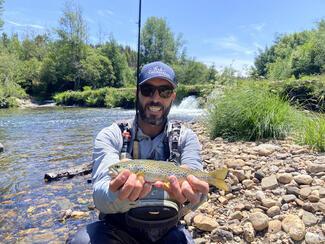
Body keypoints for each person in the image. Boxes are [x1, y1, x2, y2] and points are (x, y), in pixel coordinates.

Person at [68, 61, 209, 244]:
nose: (155, 98)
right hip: (116, 230)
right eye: (148, 90)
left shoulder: (186, 138)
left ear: (173, 96)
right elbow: (99, 193)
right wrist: (116, 194)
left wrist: (195, 196)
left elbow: (195, 181)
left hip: (168, 232)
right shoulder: (111, 135)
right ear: (137, 93)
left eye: (164, 91)